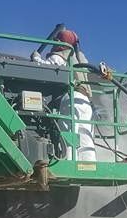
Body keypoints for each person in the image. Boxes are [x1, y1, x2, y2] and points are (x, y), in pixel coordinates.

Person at [30, 29, 97, 161]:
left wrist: (36, 57)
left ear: (60, 42)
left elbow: (46, 68)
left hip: (71, 100)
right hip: (85, 102)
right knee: (85, 135)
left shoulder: (59, 55)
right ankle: (89, 164)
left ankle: (70, 162)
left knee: (69, 133)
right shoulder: (79, 58)